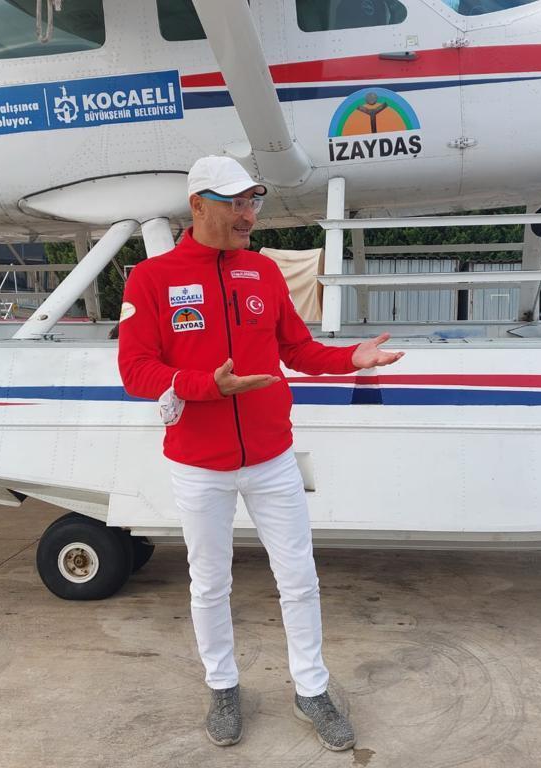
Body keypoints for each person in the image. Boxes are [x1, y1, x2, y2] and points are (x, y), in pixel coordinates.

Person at [117, 155, 403, 751]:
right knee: (209, 582)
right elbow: (136, 371)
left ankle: (311, 688)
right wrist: (204, 387)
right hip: (198, 464)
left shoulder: (264, 273)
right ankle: (223, 687)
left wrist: (351, 358)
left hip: (272, 457)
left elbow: (296, 349)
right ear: (198, 206)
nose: (248, 214)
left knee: (299, 577)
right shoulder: (151, 279)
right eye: (235, 203)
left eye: (253, 201)